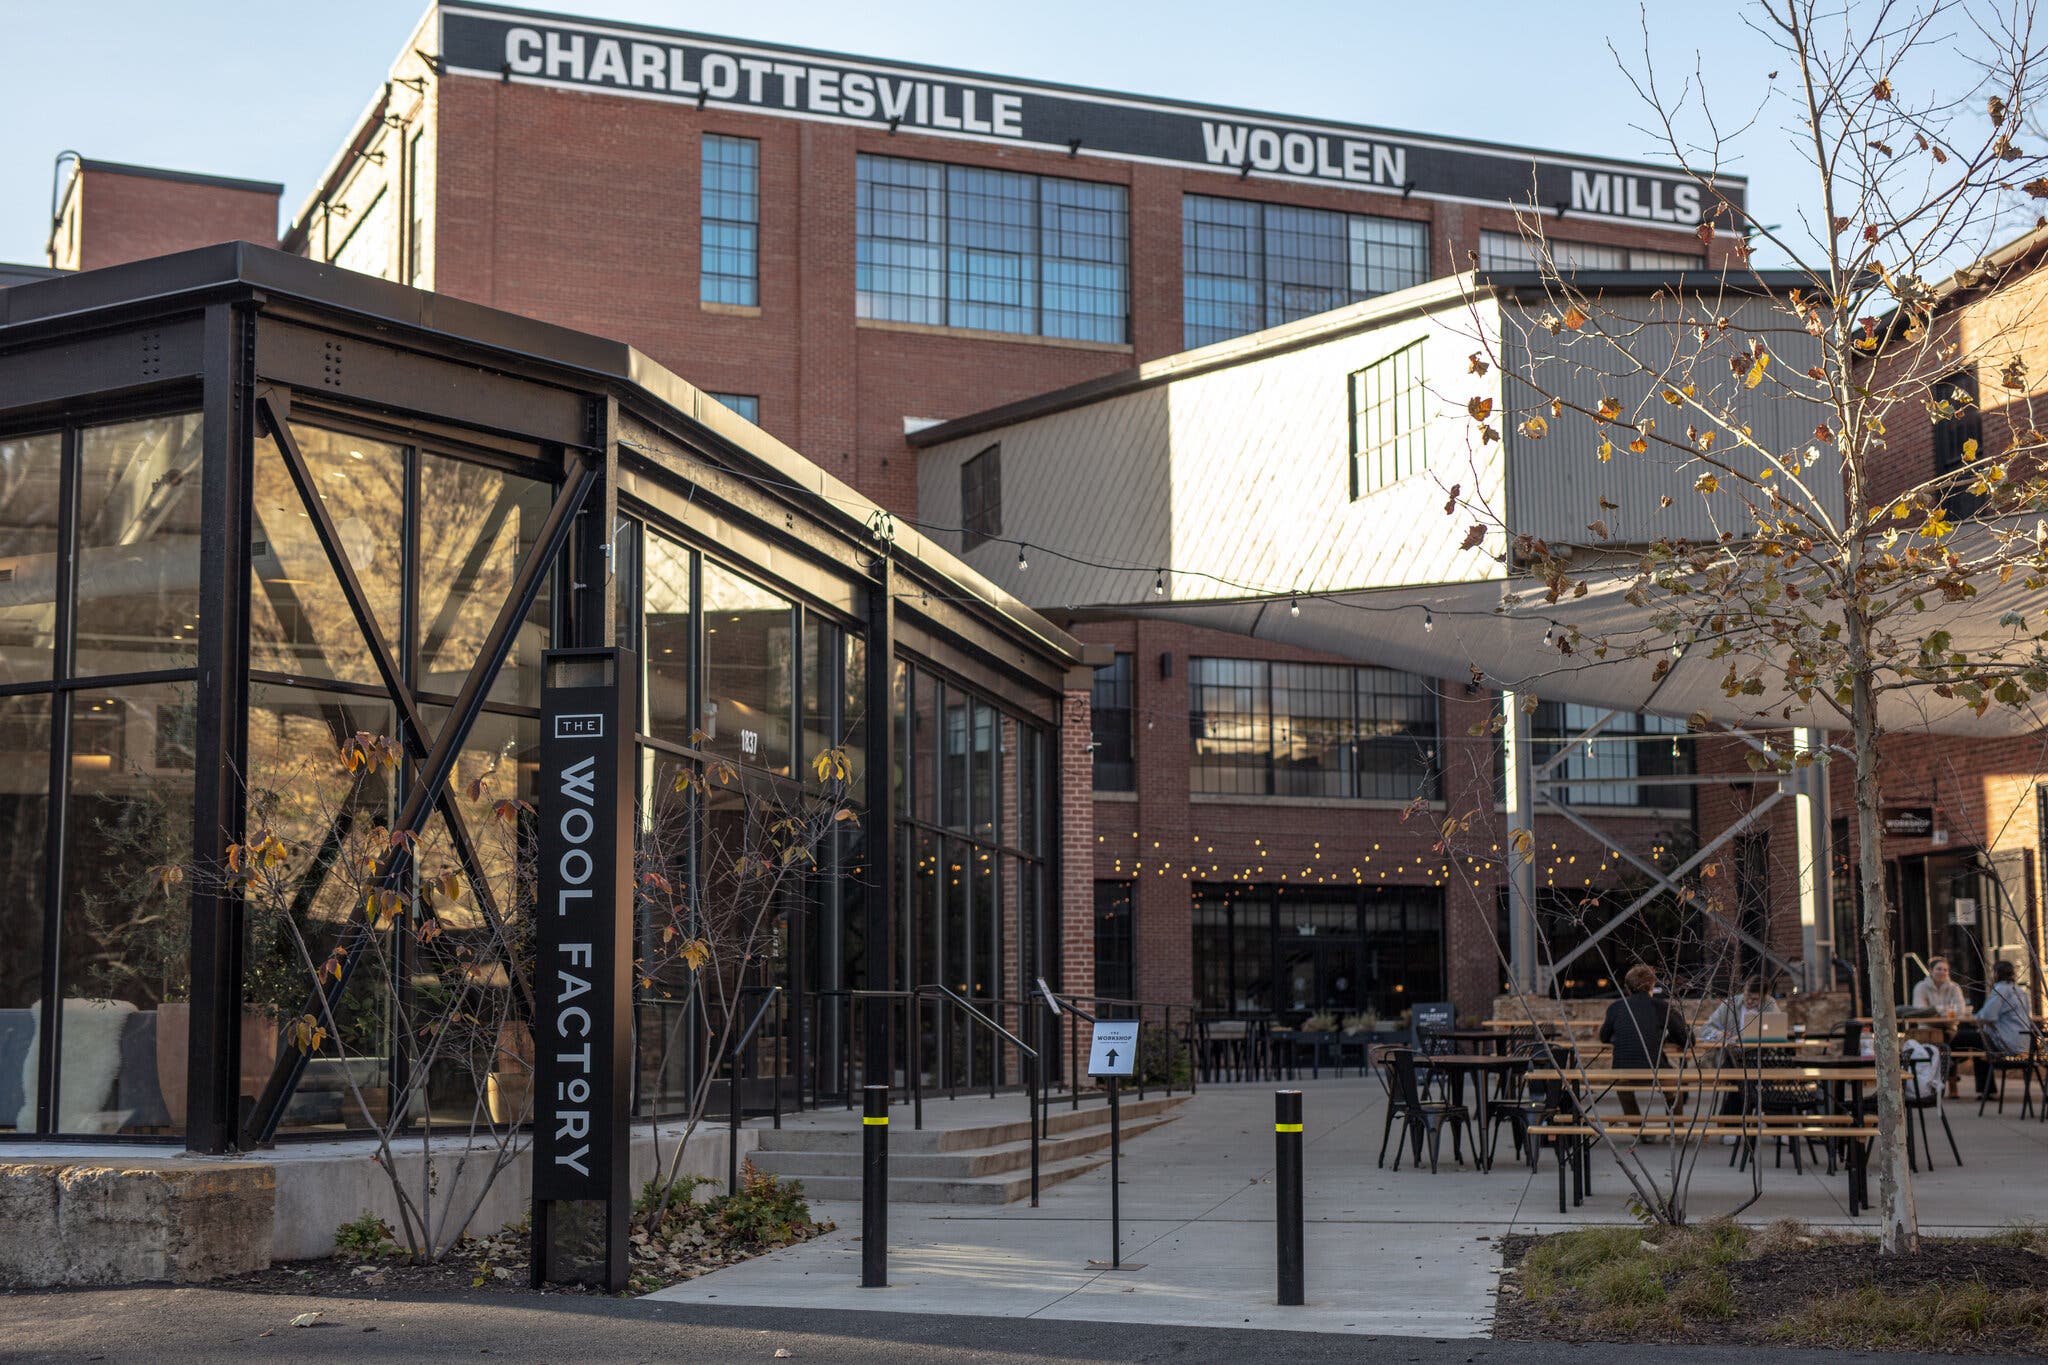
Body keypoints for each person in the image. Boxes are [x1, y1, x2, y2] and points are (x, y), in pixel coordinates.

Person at [1599, 963, 1692, 1118]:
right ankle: (1675, 1131)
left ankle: (1637, 1130)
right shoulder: (1661, 1007)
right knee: (1674, 1089)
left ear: (1627, 987)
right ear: (1652, 985)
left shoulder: (1616, 1007)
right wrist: (1668, 1037)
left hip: (1624, 1071)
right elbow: (1687, 1039)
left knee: (1622, 1088)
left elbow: (1604, 1037)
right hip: (1654, 1068)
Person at [1972, 959, 2033, 1099]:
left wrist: (1975, 1016)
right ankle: (1987, 1090)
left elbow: (1987, 1016)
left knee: (1975, 1042)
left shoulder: (2000, 989)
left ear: (1995, 973)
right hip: (2025, 1043)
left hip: (2008, 1042)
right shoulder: (2020, 991)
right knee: (1978, 1041)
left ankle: (1986, 1090)